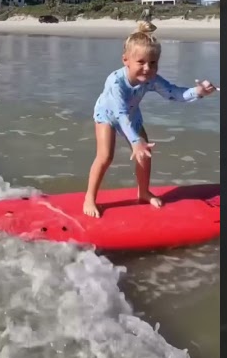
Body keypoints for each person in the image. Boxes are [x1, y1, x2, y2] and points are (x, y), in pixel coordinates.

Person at [83, 22, 218, 218]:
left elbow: (175, 93)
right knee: (105, 156)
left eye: (153, 63)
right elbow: (119, 114)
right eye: (141, 62)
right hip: (107, 115)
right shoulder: (115, 82)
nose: (148, 68)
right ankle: (89, 198)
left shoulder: (151, 79)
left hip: (131, 115)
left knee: (145, 155)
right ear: (126, 60)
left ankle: (144, 192)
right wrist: (136, 142)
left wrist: (199, 92)